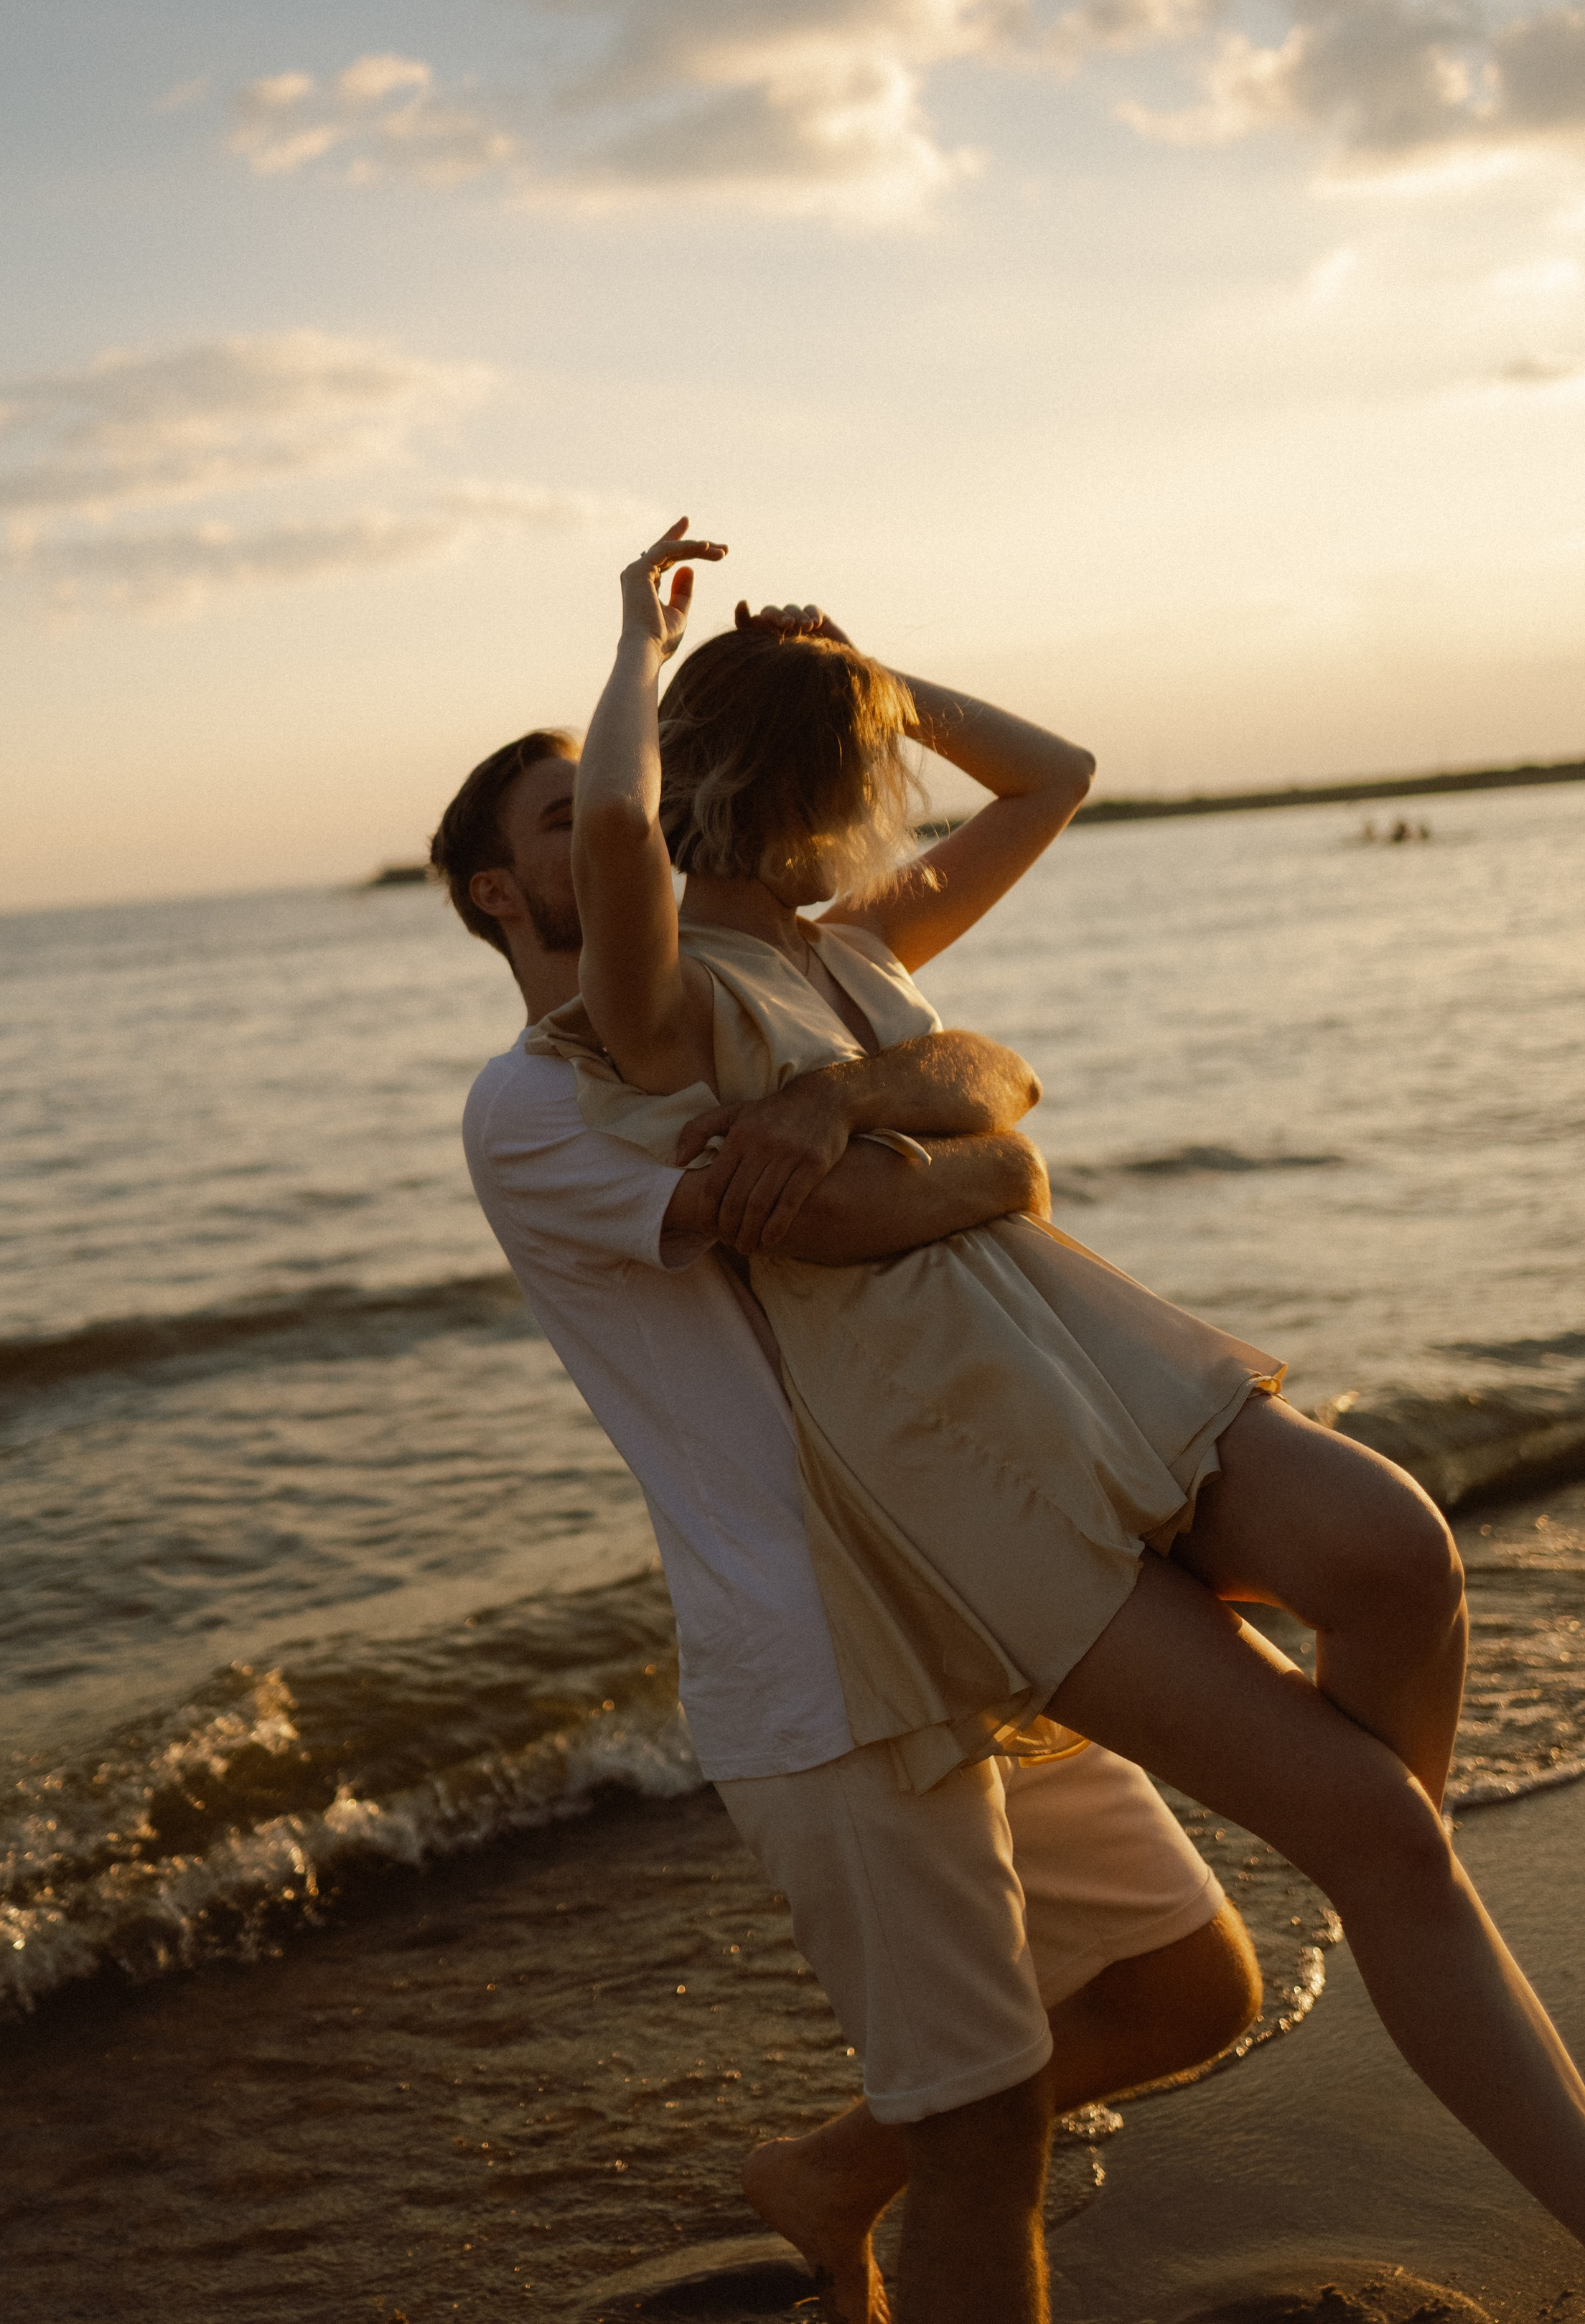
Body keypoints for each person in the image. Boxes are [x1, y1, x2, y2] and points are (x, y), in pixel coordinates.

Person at [561, 519, 1585, 2315]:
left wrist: (866, 665)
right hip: (951, 1463)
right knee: (1390, 1837)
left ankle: (1373, 1878)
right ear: (752, 774)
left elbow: (1055, 776)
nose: (864, 795)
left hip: (1083, 1349)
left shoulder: (853, 951)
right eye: (845, 764)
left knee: (1395, 1554)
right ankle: (1394, 1892)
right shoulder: (652, 1013)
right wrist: (636, 665)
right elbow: (619, 832)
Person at [438, 724, 1262, 2324]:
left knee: (1189, 1987)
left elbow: (1037, 813)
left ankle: (825, 2171)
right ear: (496, 890)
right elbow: (852, 1209)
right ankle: (881, 2174)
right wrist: (998, 1170)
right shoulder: (530, 1106)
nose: (626, 826)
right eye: (564, 821)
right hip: (817, 1648)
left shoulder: (762, 1004)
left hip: (970, 1589)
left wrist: (942, 1115)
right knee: (983, 2124)